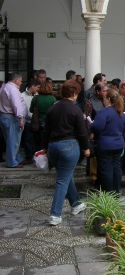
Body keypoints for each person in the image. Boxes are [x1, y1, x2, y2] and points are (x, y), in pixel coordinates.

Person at [42, 80, 90, 225]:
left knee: (65, 175)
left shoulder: (53, 108)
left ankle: (76, 203)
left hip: (53, 147)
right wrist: (86, 148)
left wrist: (44, 147)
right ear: (74, 93)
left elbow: (46, 130)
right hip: (69, 146)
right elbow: (82, 133)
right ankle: (55, 214)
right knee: (62, 179)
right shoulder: (75, 110)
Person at [90, 88, 125, 192]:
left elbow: (97, 128)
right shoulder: (121, 113)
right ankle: (116, 190)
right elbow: (124, 129)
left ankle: (109, 191)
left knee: (106, 169)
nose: (103, 100)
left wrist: (91, 125)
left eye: (104, 98)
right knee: (116, 168)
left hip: (105, 145)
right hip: (119, 144)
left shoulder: (103, 113)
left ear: (108, 99)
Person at [0, 72, 26, 168]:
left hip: (4, 115)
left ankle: (17, 158)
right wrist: (20, 119)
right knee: (14, 141)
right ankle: (12, 162)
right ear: (16, 80)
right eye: (20, 80)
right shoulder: (13, 89)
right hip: (11, 117)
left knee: (10, 140)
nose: (21, 82)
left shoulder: (4, 87)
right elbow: (16, 105)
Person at [30, 81, 56, 152]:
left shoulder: (36, 98)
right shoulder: (53, 99)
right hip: (49, 123)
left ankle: (39, 157)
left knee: (38, 143)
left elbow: (31, 110)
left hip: (37, 123)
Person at [21, 79, 41, 163]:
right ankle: (29, 156)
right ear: (32, 86)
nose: (38, 89)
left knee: (38, 140)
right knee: (28, 140)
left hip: (37, 121)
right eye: (37, 87)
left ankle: (38, 157)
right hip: (28, 121)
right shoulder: (22, 95)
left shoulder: (38, 96)